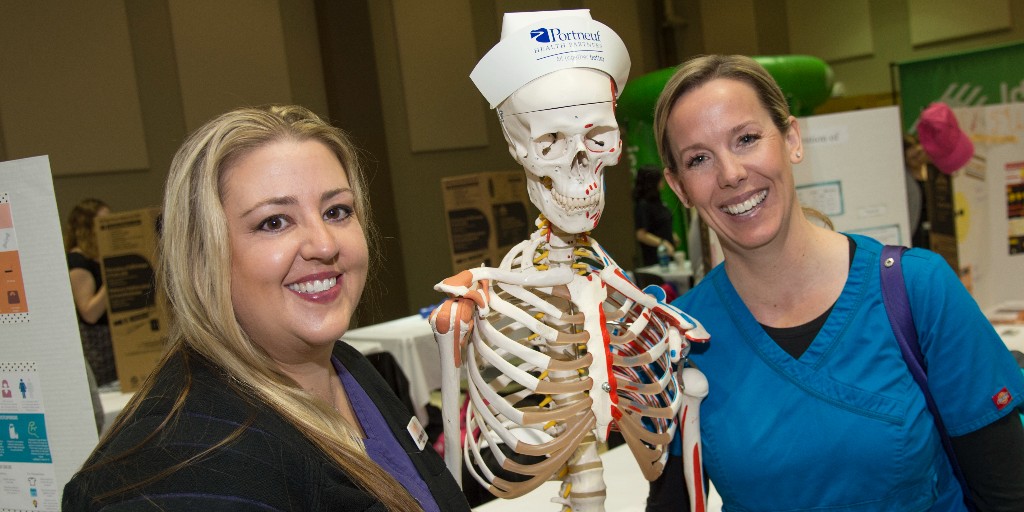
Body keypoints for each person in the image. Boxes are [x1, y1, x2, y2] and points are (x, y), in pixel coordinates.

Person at [647, 55, 1024, 511]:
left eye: (746, 139)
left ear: (791, 138)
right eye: (699, 159)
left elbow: (1007, 493)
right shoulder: (678, 339)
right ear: (679, 186)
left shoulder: (917, 290)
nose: (730, 174)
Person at [63, 105, 471, 511]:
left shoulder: (349, 370)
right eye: (274, 222)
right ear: (203, 258)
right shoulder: (185, 469)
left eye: (337, 211)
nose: (325, 245)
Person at [65, 198, 116, 386]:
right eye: (102, 223)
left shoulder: (98, 258)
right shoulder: (78, 261)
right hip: (98, 344)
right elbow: (89, 312)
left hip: (113, 338)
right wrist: (114, 275)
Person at [634, 165, 680, 266]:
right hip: (655, 259)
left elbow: (660, 224)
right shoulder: (643, 205)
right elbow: (641, 234)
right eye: (660, 180)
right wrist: (663, 243)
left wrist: (672, 235)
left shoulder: (658, 202)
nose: (662, 183)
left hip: (669, 256)